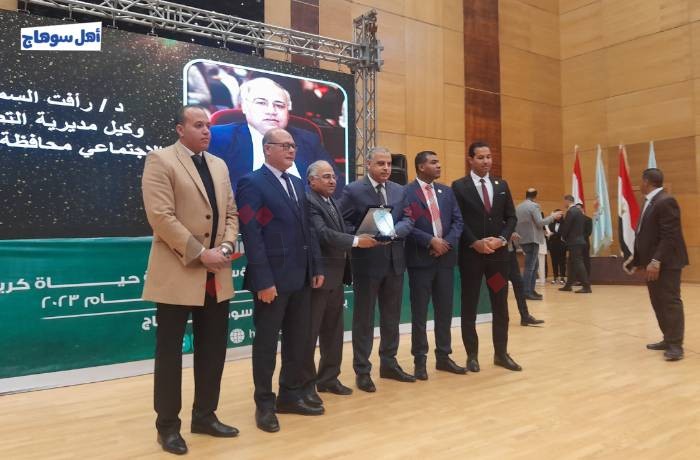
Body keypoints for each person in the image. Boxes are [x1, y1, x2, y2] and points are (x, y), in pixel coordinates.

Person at [141, 105, 239, 455]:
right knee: (170, 354)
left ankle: (205, 416)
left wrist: (226, 246)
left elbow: (231, 213)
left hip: (216, 275)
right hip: (178, 273)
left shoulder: (219, 165)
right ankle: (167, 427)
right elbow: (161, 216)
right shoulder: (161, 160)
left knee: (213, 350)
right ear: (180, 129)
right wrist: (200, 253)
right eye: (198, 125)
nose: (206, 131)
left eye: (208, 125)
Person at [236, 127, 325, 433]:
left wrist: (316, 267)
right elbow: (252, 234)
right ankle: (264, 404)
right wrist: (263, 280)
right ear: (267, 149)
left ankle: (289, 395)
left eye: (293, 145)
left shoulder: (298, 184)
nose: (291, 150)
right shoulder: (251, 183)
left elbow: (308, 230)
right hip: (271, 281)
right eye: (284, 145)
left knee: (297, 341)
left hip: (301, 277)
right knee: (265, 345)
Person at [339, 147, 415, 392]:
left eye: (389, 164)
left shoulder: (399, 190)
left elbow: (409, 219)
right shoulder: (353, 190)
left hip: (394, 262)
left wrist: (394, 231)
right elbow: (341, 222)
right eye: (381, 163)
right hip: (367, 263)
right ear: (368, 164)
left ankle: (389, 364)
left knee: (391, 317)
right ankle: (362, 370)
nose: (386, 168)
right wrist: (361, 235)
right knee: (364, 319)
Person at [304, 161, 378, 397]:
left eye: (334, 177)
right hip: (319, 277)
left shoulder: (332, 201)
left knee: (333, 332)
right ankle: (306, 385)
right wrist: (356, 241)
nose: (332, 181)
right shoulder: (309, 202)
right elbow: (323, 234)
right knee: (310, 334)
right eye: (326, 177)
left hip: (336, 276)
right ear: (312, 181)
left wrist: (366, 232)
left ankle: (328, 379)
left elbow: (340, 231)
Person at [451, 141, 521, 372]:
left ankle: (501, 354)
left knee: (500, 304)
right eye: (481, 157)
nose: (486, 161)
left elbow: (511, 217)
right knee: (469, 305)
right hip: (472, 258)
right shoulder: (459, 186)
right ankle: (472, 355)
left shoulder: (501, 184)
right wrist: (474, 242)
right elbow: (457, 220)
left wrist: (501, 239)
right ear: (470, 160)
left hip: (497, 260)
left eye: (489, 157)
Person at [208, 77, 337, 192]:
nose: (271, 111)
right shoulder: (219, 137)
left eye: (279, 105)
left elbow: (334, 186)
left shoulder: (309, 140)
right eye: (261, 103)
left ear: (288, 110)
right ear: (245, 107)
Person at [404, 151, 467, 380]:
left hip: (445, 260)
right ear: (421, 167)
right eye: (433, 162)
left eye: (439, 161)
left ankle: (443, 357)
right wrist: (430, 241)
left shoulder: (446, 192)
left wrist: (445, 244)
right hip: (420, 261)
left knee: (444, 311)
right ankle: (420, 361)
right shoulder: (406, 192)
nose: (439, 165)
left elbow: (458, 221)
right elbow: (406, 224)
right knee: (420, 314)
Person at [625, 168, 689, 361]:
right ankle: (668, 338)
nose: (639, 184)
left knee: (669, 301)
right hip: (653, 263)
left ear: (647, 181)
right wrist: (639, 262)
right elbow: (645, 235)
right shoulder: (651, 201)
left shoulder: (665, 201)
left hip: (666, 263)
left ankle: (676, 346)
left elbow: (670, 235)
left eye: (641, 181)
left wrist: (656, 260)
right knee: (657, 302)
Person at [515, 188, 562, 300]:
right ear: (535, 196)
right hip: (533, 239)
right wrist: (553, 217)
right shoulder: (534, 206)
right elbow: (540, 223)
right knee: (530, 266)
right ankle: (527, 291)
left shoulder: (518, 207)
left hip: (523, 239)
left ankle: (531, 290)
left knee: (534, 265)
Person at [508, 232, 545, 326]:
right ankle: (500, 318)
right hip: (495, 259)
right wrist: (506, 236)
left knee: (519, 285)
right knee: (498, 290)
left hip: (510, 255)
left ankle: (525, 317)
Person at [558, 195, 592, 293]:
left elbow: (567, 226)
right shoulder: (578, 211)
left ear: (567, 201)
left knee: (578, 262)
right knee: (571, 263)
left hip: (574, 242)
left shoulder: (571, 211)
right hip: (579, 240)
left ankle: (586, 286)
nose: (563, 203)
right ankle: (568, 285)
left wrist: (563, 237)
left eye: (564, 201)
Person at [547, 210, 567, 284]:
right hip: (553, 245)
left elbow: (563, 232)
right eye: (557, 214)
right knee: (554, 261)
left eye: (560, 214)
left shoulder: (565, 223)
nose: (559, 215)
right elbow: (549, 232)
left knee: (562, 261)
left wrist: (553, 234)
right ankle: (555, 277)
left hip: (562, 245)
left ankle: (562, 277)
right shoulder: (551, 223)